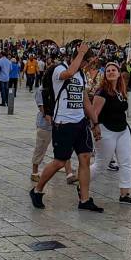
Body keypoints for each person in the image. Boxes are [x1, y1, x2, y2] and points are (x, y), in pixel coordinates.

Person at [31, 44, 103, 212]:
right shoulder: (59, 70)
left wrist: (95, 123)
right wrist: (81, 52)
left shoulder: (81, 76)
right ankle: (37, 190)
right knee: (60, 161)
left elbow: (85, 101)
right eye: (85, 61)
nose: (86, 65)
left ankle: (84, 200)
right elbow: (69, 73)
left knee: (85, 159)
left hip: (80, 123)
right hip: (64, 122)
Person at [89, 61, 131, 205]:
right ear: (105, 74)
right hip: (106, 130)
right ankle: (83, 183)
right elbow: (93, 112)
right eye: (108, 70)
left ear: (118, 73)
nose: (111, 72)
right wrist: (95, 127)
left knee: (126, 162)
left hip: (122, 130)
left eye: (113, 70)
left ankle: (125, 193)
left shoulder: (120, 90)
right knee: (101, 164)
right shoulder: (102, 91)